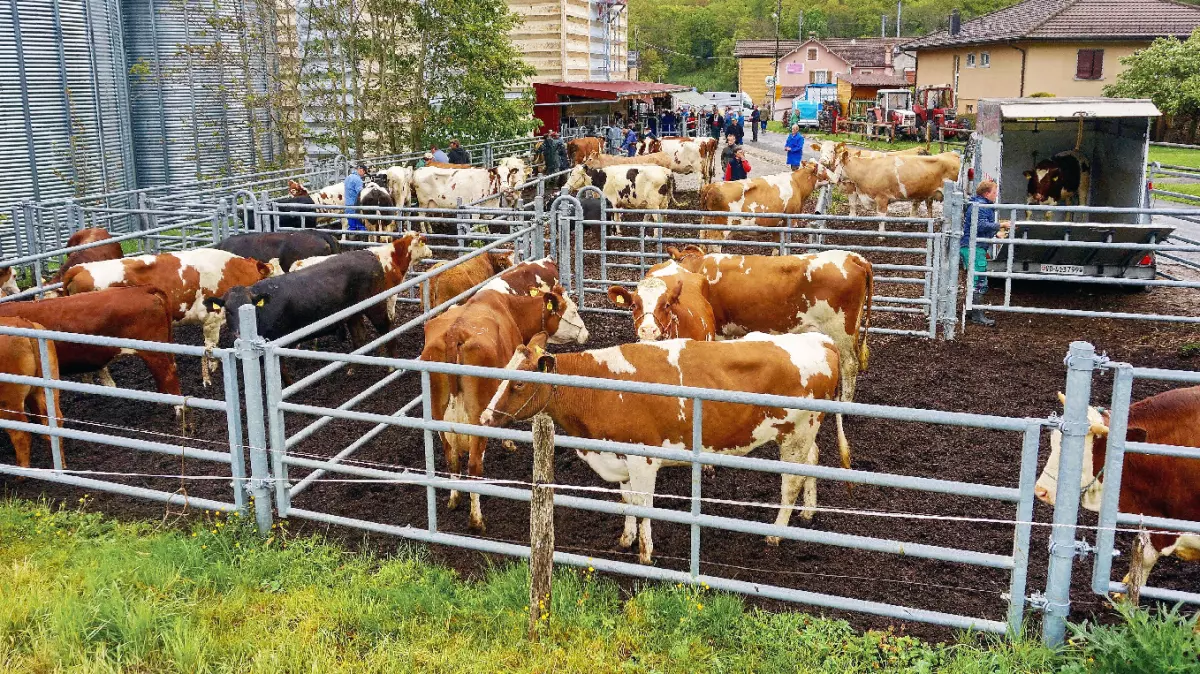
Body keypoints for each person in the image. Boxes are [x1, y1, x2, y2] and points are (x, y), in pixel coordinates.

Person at [960, 180, 1008, 327]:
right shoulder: (981, 206)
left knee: (973, 280)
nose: (996, 195)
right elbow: (979, 224)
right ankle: (977, 316)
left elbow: (980, 226)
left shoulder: (980, 204)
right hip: (974, 248)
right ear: (987, 193)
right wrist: (1000, 225)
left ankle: (971, 311)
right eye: (994, 192)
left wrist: (996, 233)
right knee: (979, 281)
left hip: (973, 246)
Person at [344, 163, 367, 234]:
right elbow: (360, 192)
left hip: (348, 205)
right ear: (361, 170)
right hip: (355, 205)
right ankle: (362, 240)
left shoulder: (348, 177)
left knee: (352, 226)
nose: (364, 174)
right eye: (364, 172)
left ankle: (351, 241)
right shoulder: (358, 180)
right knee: (361, 226)